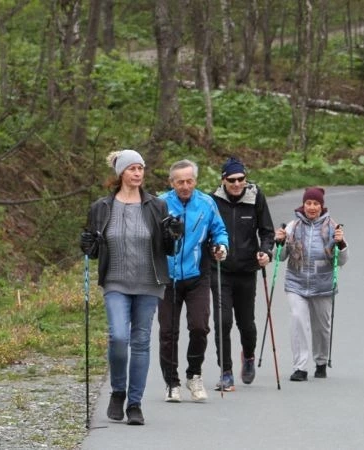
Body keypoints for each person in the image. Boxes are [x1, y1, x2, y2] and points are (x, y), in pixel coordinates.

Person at [80, 149, 180, 425]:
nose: (138, 173)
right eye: (132, 168)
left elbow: (168, 248)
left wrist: (174, 235)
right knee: (119, 337)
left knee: (141, 341)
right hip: (115, 280)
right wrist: (88, 245)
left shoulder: (156, 206)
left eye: (141, 168)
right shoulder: (102, 207)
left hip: (149, 281)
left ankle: (134, 404)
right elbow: (95, 246)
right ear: (121, 173)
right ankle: (117, 392)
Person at [158, 159, 229, 403]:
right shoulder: (160, 204)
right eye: (180, 182)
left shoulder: (207, 203)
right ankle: (171, 382)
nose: (185, 186)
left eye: (189, 181)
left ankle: (194, 374)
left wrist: (221, 246)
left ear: (195, 181)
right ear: (172, 183)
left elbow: (219, 230)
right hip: (167, 277)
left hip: (198, 274)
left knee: (200, 327)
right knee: (168, 332)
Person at [209, 157, 275, 391]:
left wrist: (266, 251)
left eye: (241, 179)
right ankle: (225, 372)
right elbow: (207, 232)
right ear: (223, 180)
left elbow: (267, 232)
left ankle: (248, 356)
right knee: (222, 321)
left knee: (246, 324)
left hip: (247, 269)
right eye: (232, 180)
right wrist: (212, 249)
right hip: (220, 271)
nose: (237, 184)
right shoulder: (212, 201)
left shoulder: (256, 196)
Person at [274, 187, 348, 381]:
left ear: (322, 206)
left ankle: (321, 361)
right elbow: (280, 258)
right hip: (296, 283)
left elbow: (342, 260)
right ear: (303, 205)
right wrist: (279, 241)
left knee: (322, 326)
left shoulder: (333, 228)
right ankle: (300, 367)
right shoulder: (293, 226)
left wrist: (340, 244)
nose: (312, 207)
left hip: (322, 285)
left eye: (316, 204)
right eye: (309, 203)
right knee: (297, 319)